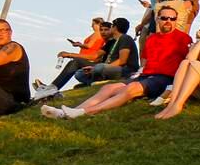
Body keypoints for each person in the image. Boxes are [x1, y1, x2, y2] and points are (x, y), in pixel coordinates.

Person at [42, 7, 191, 119]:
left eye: (172, 19)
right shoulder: (151, 39)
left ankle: (84, 112)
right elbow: (145, 61)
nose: (168, 21)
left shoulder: (183, 39)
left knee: (130, 88)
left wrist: (172, 88)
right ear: (157, 19)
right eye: (164, 18)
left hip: (163, 78)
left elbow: (188, 63)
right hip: (145, 75)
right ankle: (66, 113)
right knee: (108, 88)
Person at [33, 18, 109, 99]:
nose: (102, 32)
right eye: (101, 30)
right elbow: (99, 56)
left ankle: (51, 89)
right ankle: (51, 89)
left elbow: (94, 54)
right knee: (78, 72)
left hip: (100, 65)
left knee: (75, 63)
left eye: (105, 30)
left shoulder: (102, 37)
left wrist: (70, 54)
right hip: (97, 63)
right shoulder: (108, 43)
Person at [74, 18, 138, 86]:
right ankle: (93, 82)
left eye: (111, 26)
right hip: (110, 68)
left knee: (99, 67)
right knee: (79, 73)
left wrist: (103, 67)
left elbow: (122, 61)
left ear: (115, 28)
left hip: (125, 70)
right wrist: (95, 68)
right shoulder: (114, 41)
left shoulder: (125, 38)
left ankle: (95, 82)